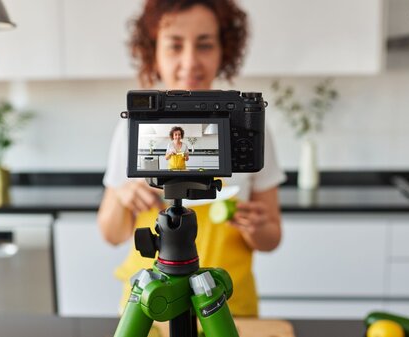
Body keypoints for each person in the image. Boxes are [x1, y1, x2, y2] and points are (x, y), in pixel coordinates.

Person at [98, 0, 286, 317]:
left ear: (223, 50)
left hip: (229, 305)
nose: (190, 61)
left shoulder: (249, 126)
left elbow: (271, 239)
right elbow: (111, 233)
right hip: (151, 302)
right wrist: (123, 197)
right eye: (174, 46)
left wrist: (257, 227)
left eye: (205, 45)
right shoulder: (133, 127)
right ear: (153, 52)